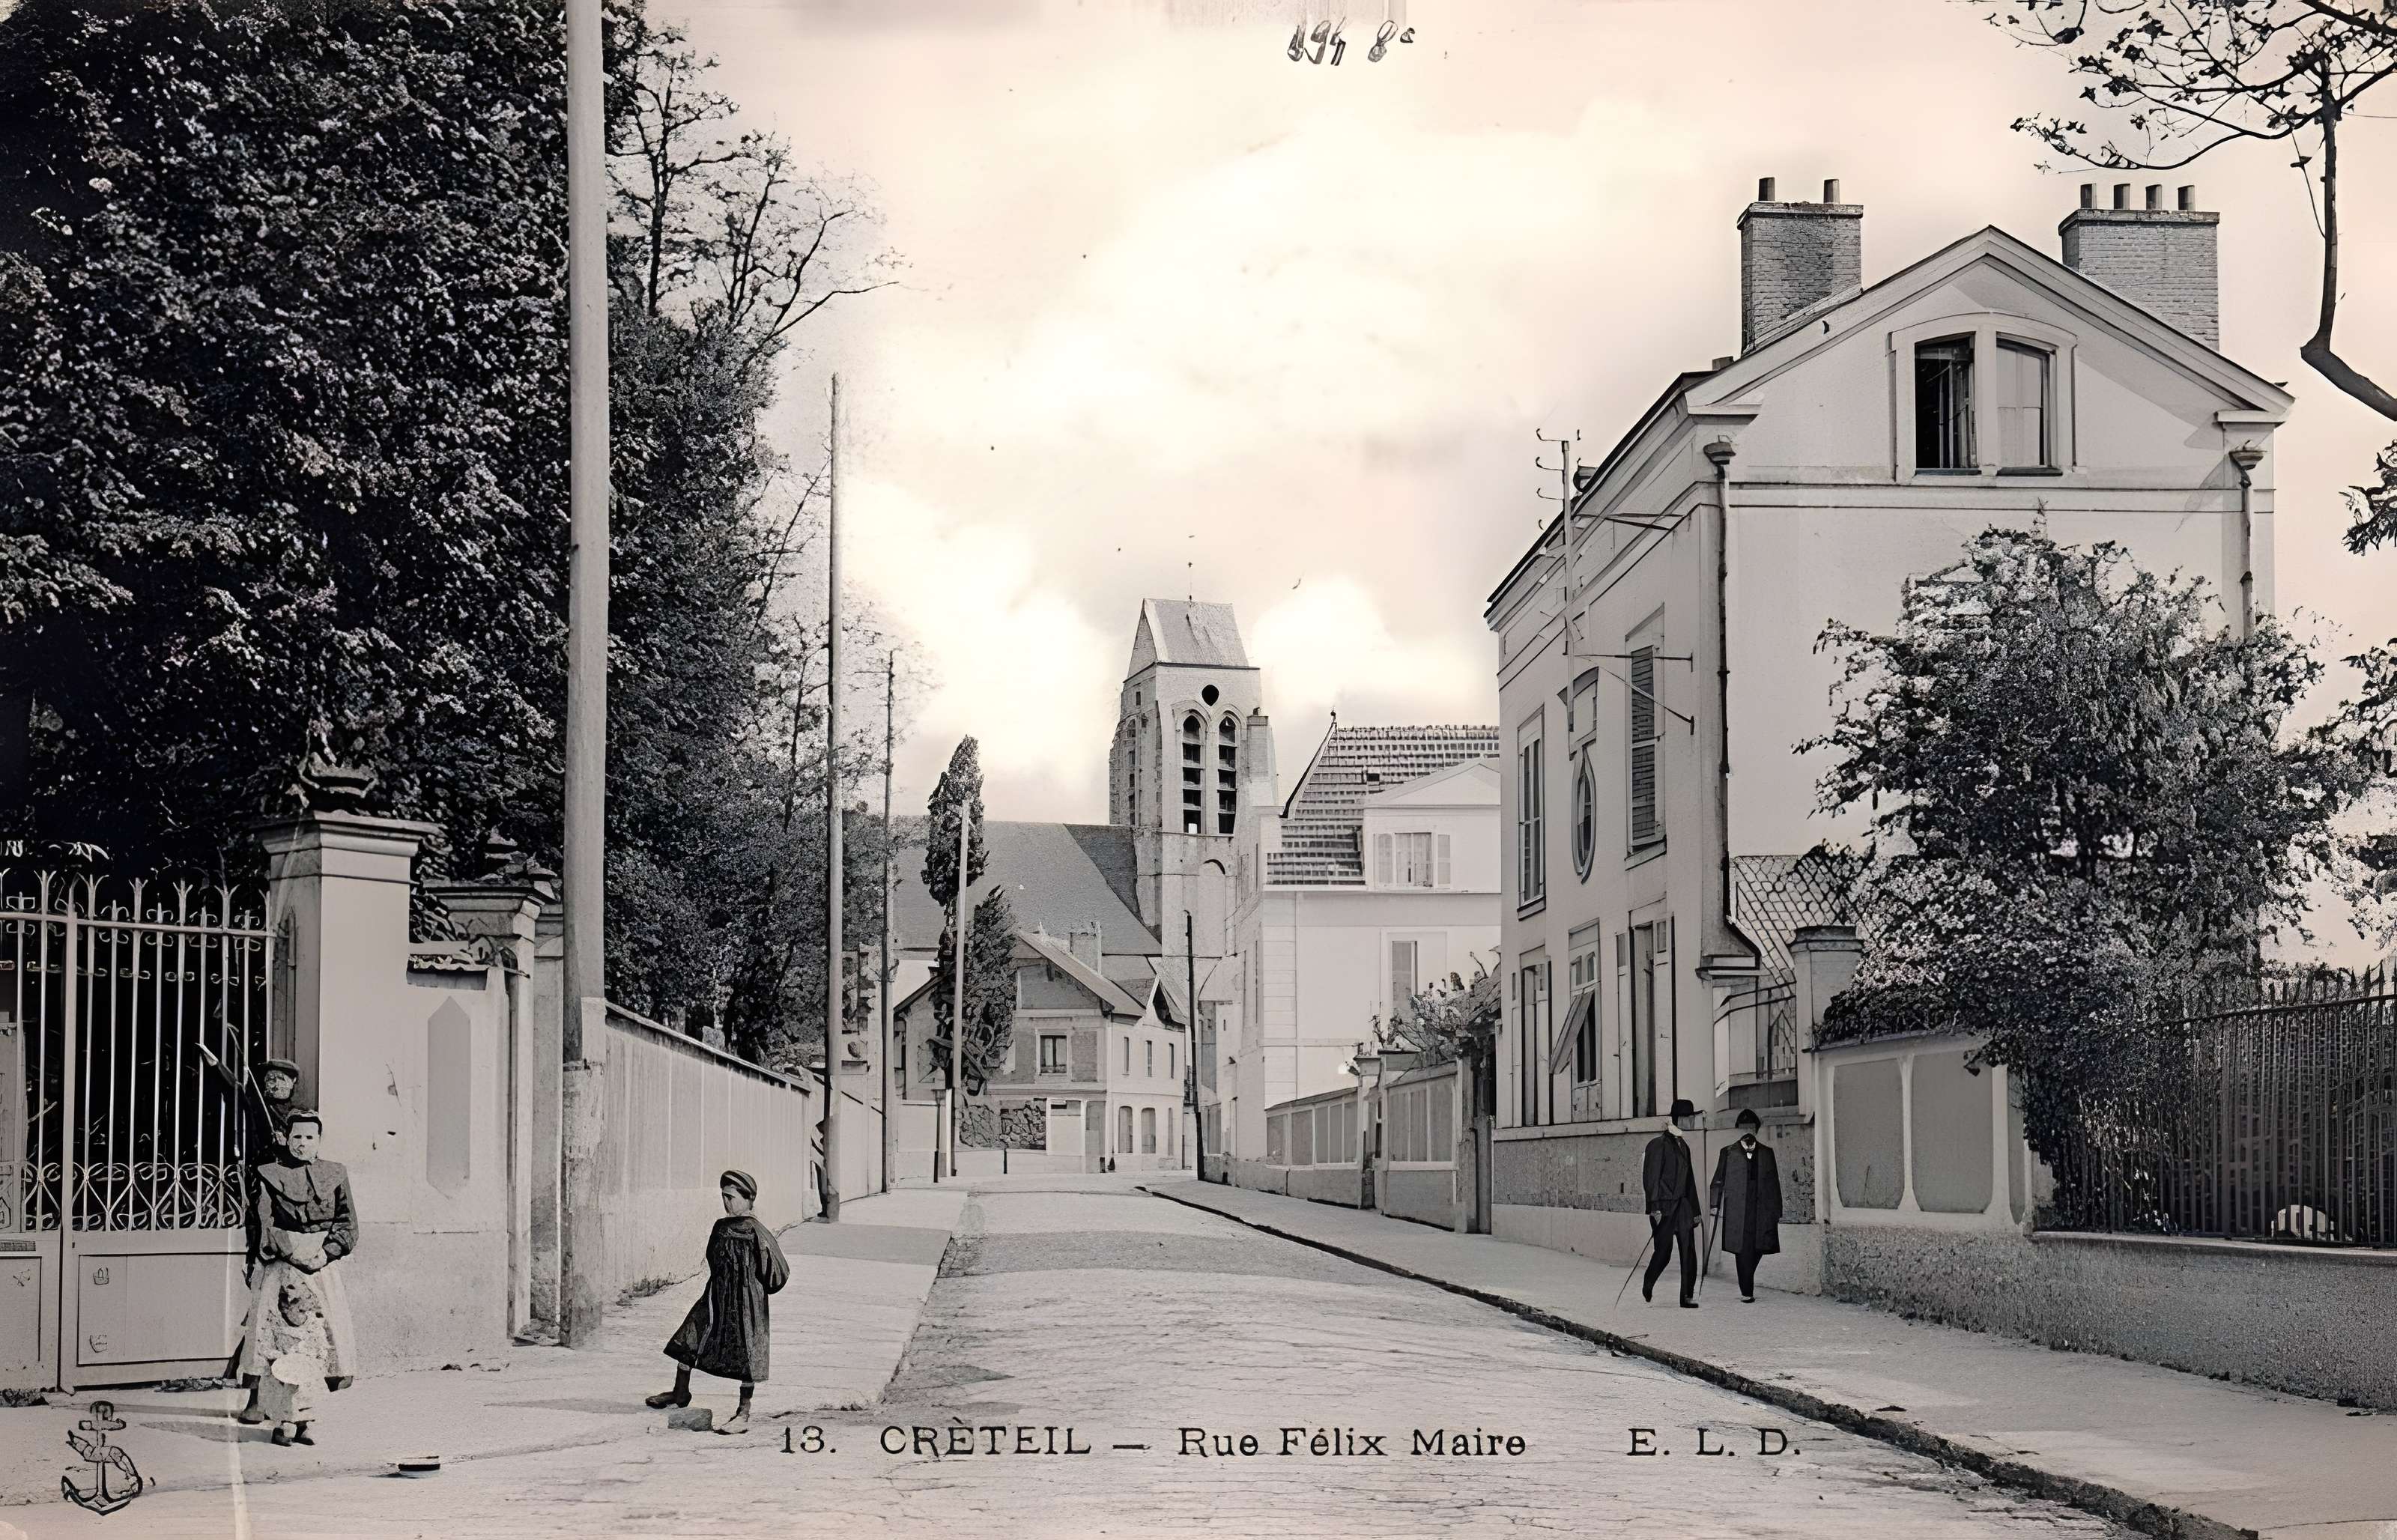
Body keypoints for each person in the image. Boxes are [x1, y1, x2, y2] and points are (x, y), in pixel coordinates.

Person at [231, 1112, 359, 1425]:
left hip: (320, 1266)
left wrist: (324, 1255)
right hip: (280, 1262)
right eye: (297, 1137)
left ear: (319, 1140)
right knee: (267, 1332)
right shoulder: (269, 1174)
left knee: (316, 1333)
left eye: (309, 1137)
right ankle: (257, 1401)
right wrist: (283, 1251)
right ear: (286, 1139)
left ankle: (301, 1410)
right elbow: (263, 1221)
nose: (303, 1143)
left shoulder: (336, 1174)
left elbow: (347, 1224)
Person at [647, 1169, 791, 1436]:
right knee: (690, 1337)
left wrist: (752, 1288)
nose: (726, 1202)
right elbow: (712, 1258)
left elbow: (778, 1273)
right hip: (715, 1297)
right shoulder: (720, 1227)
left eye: (731, 1197)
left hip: (746, 1304)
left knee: (748, 1353)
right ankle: (680, 1393)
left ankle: (743, 1412)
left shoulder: (757, 1232)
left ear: (749, 1199)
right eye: (724, 1196)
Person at [1709, 1107, 1784, 1303]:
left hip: (1761, 1209)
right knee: (1742, 1248)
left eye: (1751, 1127)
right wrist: (1714, 1204)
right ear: (1738, 1130)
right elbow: (1718, 1180)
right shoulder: (1727, 1152)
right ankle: (1747, 1291)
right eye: (1743, 1127)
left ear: (1756, 1129)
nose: (1747, 1131)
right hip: (1738, 1209)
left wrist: (1777, 1209)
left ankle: (1747, 1277)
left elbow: (1774, 1182)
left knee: (1760, 1247)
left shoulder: (1767, 1153)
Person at [1640, 1098, 1703, 1308]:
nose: (1693, 1122)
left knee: (1689, 1252)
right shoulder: (1658, 1144)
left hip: (1683, 1208)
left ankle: (1687, 1296)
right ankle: (1648, 1282)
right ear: (1680, 1119)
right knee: (1664, 1252)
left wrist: (1695, 1211)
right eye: (1690, 1118)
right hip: (1664, 1208)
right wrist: (1655, 1208)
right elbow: (1651, 1179)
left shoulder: (1684, 1145)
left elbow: (1690, 1181)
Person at [254, 1280, 331, 1446]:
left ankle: (303, 1427)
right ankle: (281, 1429)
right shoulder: (275, 1324)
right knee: (285, 1401)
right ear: (285, 1308)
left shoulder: (312, 1325)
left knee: (305, 1399)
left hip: (304, 1371)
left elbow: (321, 1345)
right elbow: (264, 1346)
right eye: (300, 1310)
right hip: (282, 1373)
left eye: (307, 1310)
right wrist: (278, 1357)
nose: (304, 1315)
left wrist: (317, 1359)